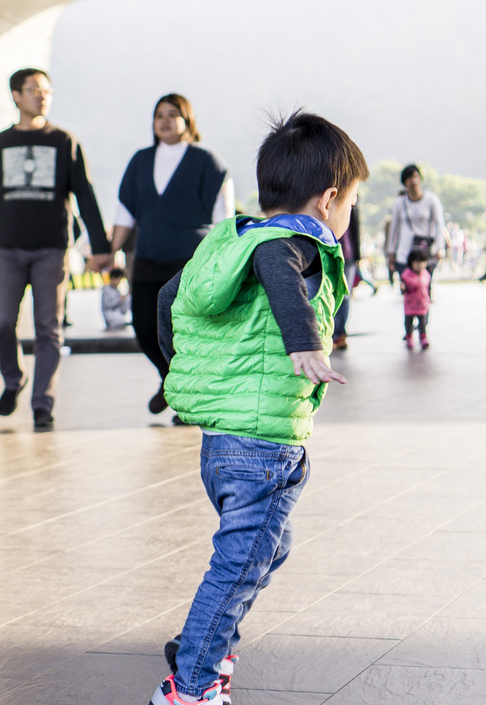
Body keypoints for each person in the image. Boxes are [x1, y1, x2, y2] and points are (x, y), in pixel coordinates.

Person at [150, 110, 366, 705]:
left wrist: (183, 369)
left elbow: (169, 298)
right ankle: (190, 685)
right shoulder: (290, 244)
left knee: (267, 548)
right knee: (239, 565)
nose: (348, 213)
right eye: (351, 202)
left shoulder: (231, 240)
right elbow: (281, 270)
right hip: (263, 443)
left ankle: (205, 643)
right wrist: (304, 343)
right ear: (328, 200)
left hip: (225, 441)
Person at [0, 68, 112, 430]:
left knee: (49, 329)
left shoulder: (64, 141)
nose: (41, 96)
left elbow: (85, 195)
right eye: (33, 90)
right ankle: (14, 378)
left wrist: (101, 247)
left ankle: (43, 403)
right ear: (16, 95)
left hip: (51, 251)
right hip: (7, 251)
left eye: (46, 90)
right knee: (1, 323)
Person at [108, 93, 232, 415]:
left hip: (189, 261)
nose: (164, 121)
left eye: (172, 114)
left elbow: (223, 218)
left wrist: (221, 260)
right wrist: (110, 252)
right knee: (144, 327)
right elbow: (125, 214)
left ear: (187, 120)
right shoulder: (140, 160)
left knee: (184, 332)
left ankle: (185, 399)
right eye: (159, 115)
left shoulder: (208, 161)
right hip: (148, 257)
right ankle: (171, 380)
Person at [386, 164, 445, 291]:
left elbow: (439, 225)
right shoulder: (399, 203)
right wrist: (391, 251)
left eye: (416, 177)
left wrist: (440, 247)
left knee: (424, 291)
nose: (413, 181)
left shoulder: (432, 200)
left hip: (425, 254)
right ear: (404, 183)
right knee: (408, 291)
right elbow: (394, 229)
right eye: (409, 178)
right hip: (404, 254)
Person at [331, 198, 364, 350]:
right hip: (331, 253)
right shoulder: (328, 198)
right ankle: (330, 333)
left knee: (345, 296)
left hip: (349, 256)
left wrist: (358, 255)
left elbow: (356, 230)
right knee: (330, 294)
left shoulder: (352, 202)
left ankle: (340, 333)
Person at [400, 247, 432, 349]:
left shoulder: (426, 274)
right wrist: (403, 288)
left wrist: (429, 298)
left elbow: (428, 288)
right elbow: (403, 289)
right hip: (410, 305)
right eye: (417, 262)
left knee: (423, 323)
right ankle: (409, 337)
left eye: (422, 262)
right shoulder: (406, 275)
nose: (420, 265)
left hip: (422, 304)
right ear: (411, 262)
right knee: (408, 323)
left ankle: (423, 337)